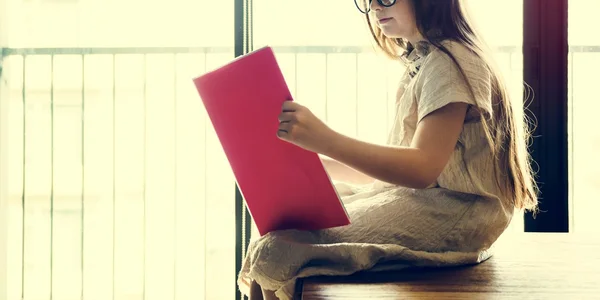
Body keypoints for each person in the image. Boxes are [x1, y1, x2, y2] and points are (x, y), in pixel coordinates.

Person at [240, 0, 539, 299]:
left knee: (279, 249)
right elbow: (397, 165)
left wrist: (324, 138)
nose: (374, 8)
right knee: (279, 225)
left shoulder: (451, 63)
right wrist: (314, 166)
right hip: (428, 199)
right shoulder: (426, 61)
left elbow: (422, 168)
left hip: (457, 212)